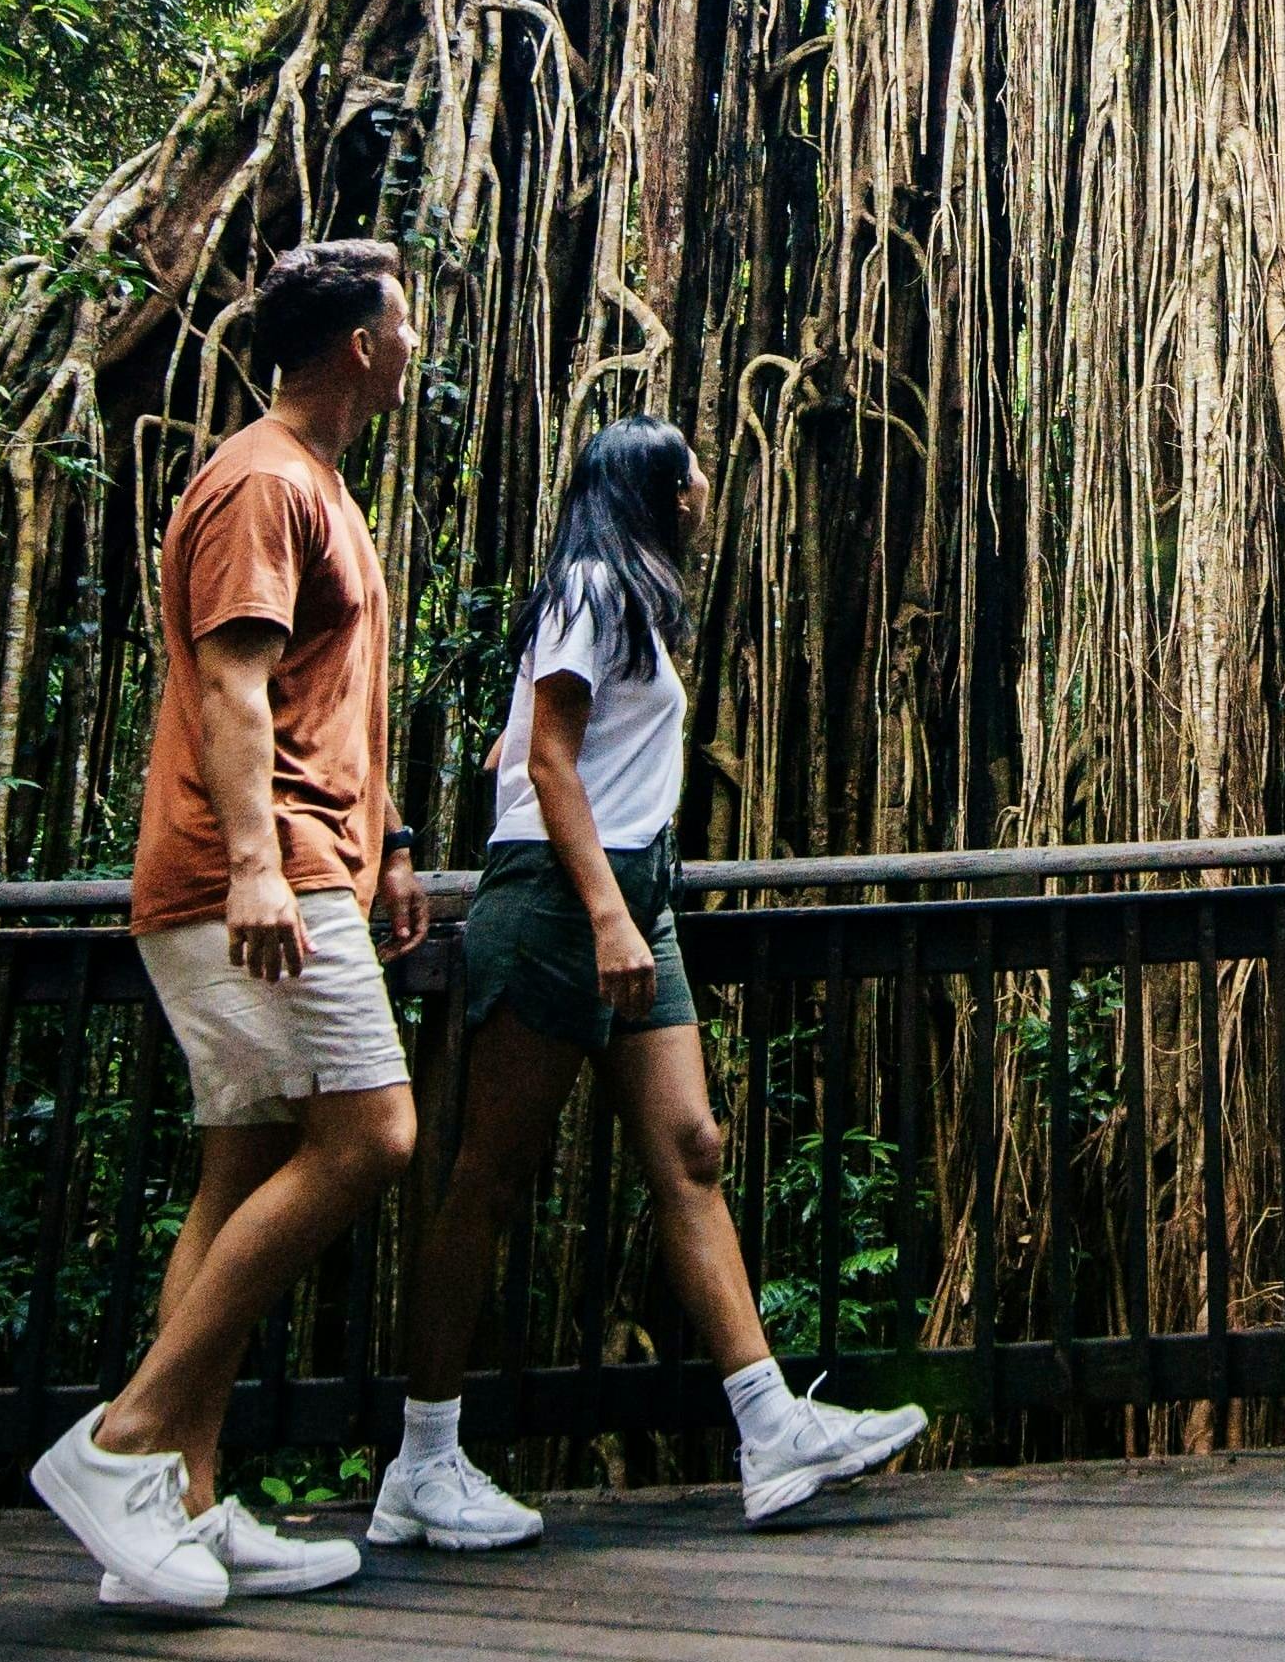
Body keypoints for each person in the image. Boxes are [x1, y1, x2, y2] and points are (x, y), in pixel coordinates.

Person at [370, 415, 926, 1545]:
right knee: (485, 1178)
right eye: (694, 467)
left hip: (633, 895)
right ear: (663, 489)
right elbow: (547, 761)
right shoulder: (588, 583)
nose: (709, 480)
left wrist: (625, 897)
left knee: (692, 1149)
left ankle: (770, 1431)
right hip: (567, 904)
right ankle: (420, 1462)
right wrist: (607, 914)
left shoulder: (620, 597)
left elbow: (528, 740)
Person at [30, 238, 429, 1612]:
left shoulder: (316, 480)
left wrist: (388, 844)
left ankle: (183, 1504)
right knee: (373, 1133)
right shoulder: (262, 479)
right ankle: (121, 1444)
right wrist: (262, 868)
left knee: (241, 1167)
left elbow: (324, 698)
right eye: (404, 320)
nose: (417, 340)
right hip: (250, 874)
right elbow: (232, 683)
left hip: (309, 860)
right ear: (361, 344)